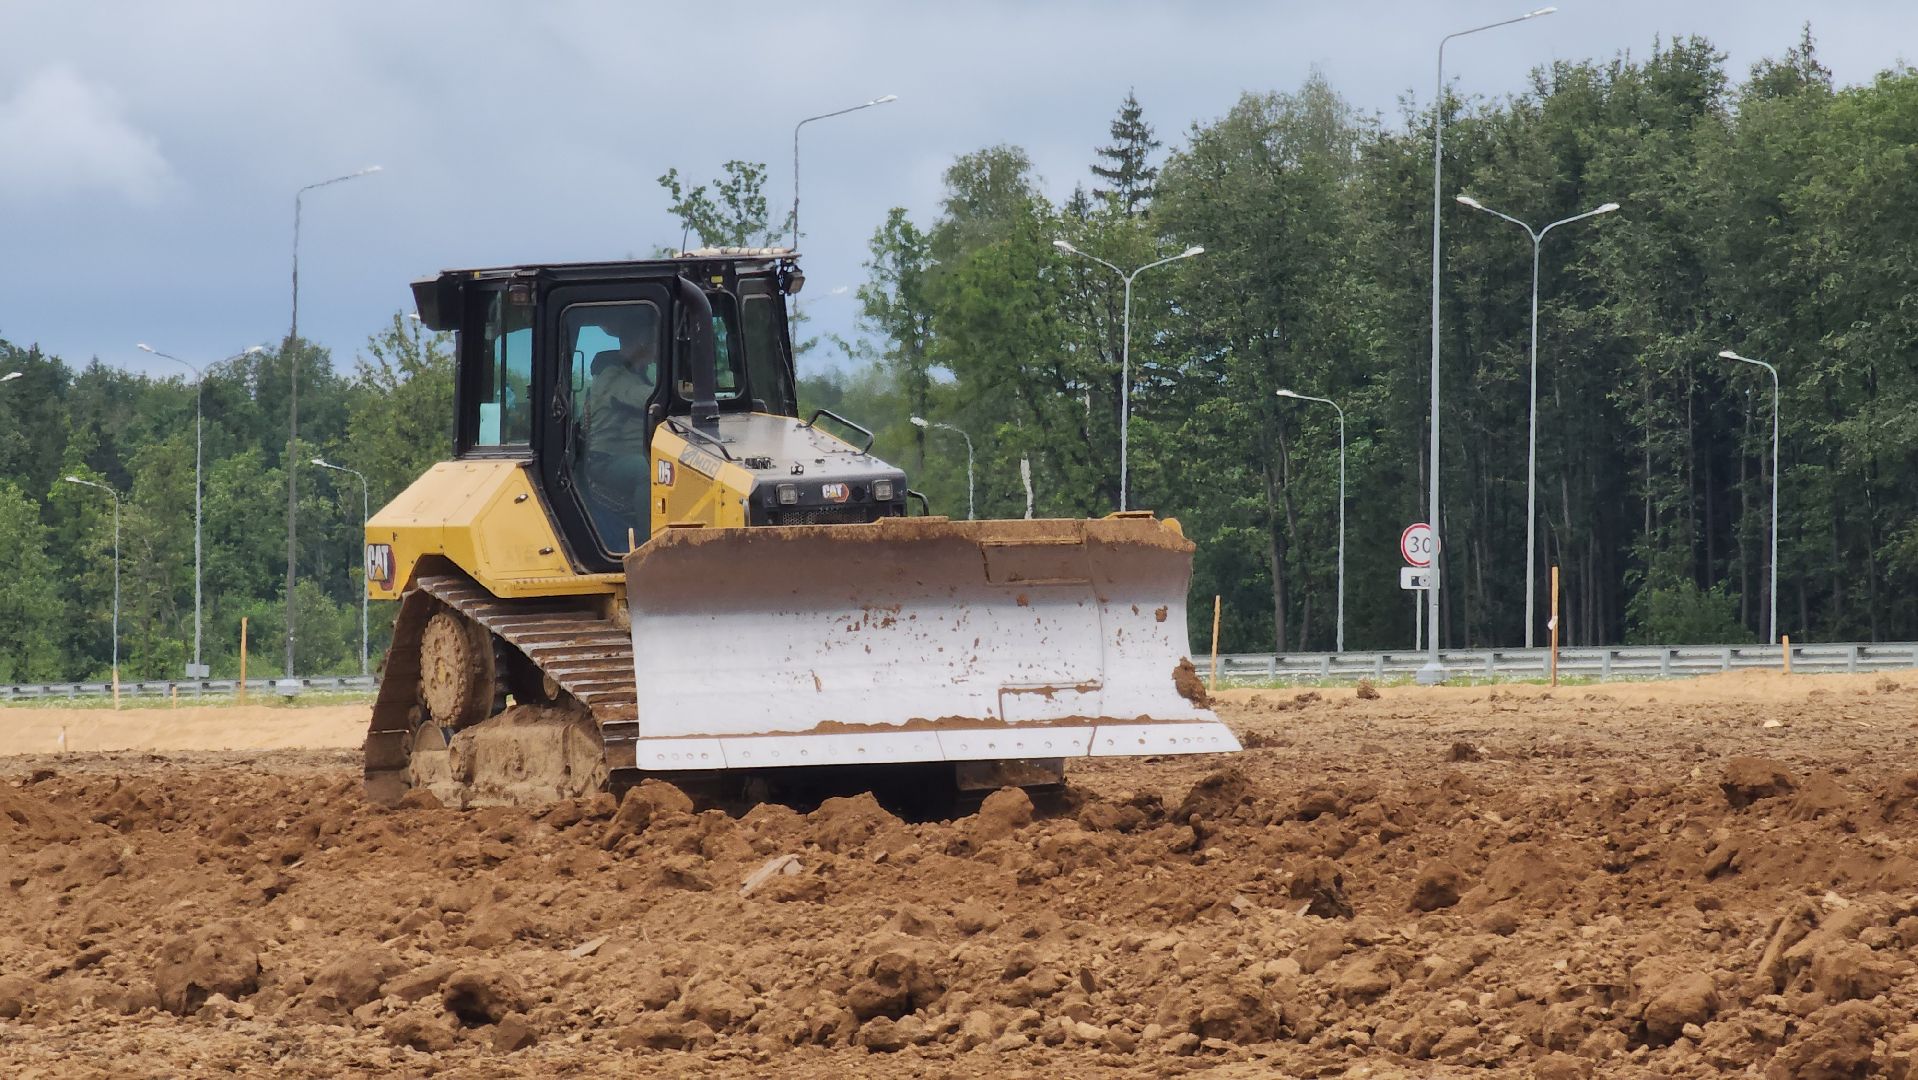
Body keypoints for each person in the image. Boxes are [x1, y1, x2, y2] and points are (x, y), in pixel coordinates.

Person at [583, 309, 659, 546]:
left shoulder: (635, 374)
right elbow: (648, 399)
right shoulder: (613, 375)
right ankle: (651, 545)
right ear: (643, 341)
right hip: (606, 459)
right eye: (657, 340)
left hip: (625, 454)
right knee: (647, 473)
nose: (659, 347)